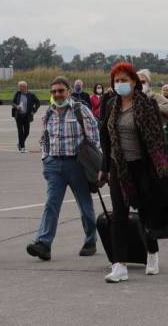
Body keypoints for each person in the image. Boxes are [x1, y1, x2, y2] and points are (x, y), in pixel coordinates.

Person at [99, 63, 168, 282]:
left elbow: (156, 140)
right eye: (117, 80)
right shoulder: (111, 104)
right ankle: (119, 265)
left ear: (134, 82)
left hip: (141, 166)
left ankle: (152, 253)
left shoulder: (146, 104)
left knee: (145, 213)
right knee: (119, 216)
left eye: (124, 80)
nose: (120, 84)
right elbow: (106, 138)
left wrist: (163, 170)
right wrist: (104, 168)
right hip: (118, 166)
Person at [26, 77, 100, 262]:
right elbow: (44, 139)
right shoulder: (48, 113)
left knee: (85, 206)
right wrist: (46, 158)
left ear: (68, 91)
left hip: (77, 165)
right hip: (55, 166)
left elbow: (94, 140)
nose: (57, 94)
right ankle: (43, 244)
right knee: (51, 204)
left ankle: (90, 240)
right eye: (54, 91)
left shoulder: (80, 110)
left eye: (61, 91)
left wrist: (94, 166)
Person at [11, 81, 41, 153]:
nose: (19, 88)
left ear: (25, 87)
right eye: (19, 86)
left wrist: (34, 111)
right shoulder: (17, 94)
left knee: (27, 132)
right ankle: (22, 147)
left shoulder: (31, 95)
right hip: (18, 116)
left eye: (20, 86)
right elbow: (12, 103)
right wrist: (17, 106)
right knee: (20, 132)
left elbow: (38, 102)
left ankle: (20, 143)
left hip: (27, 116)